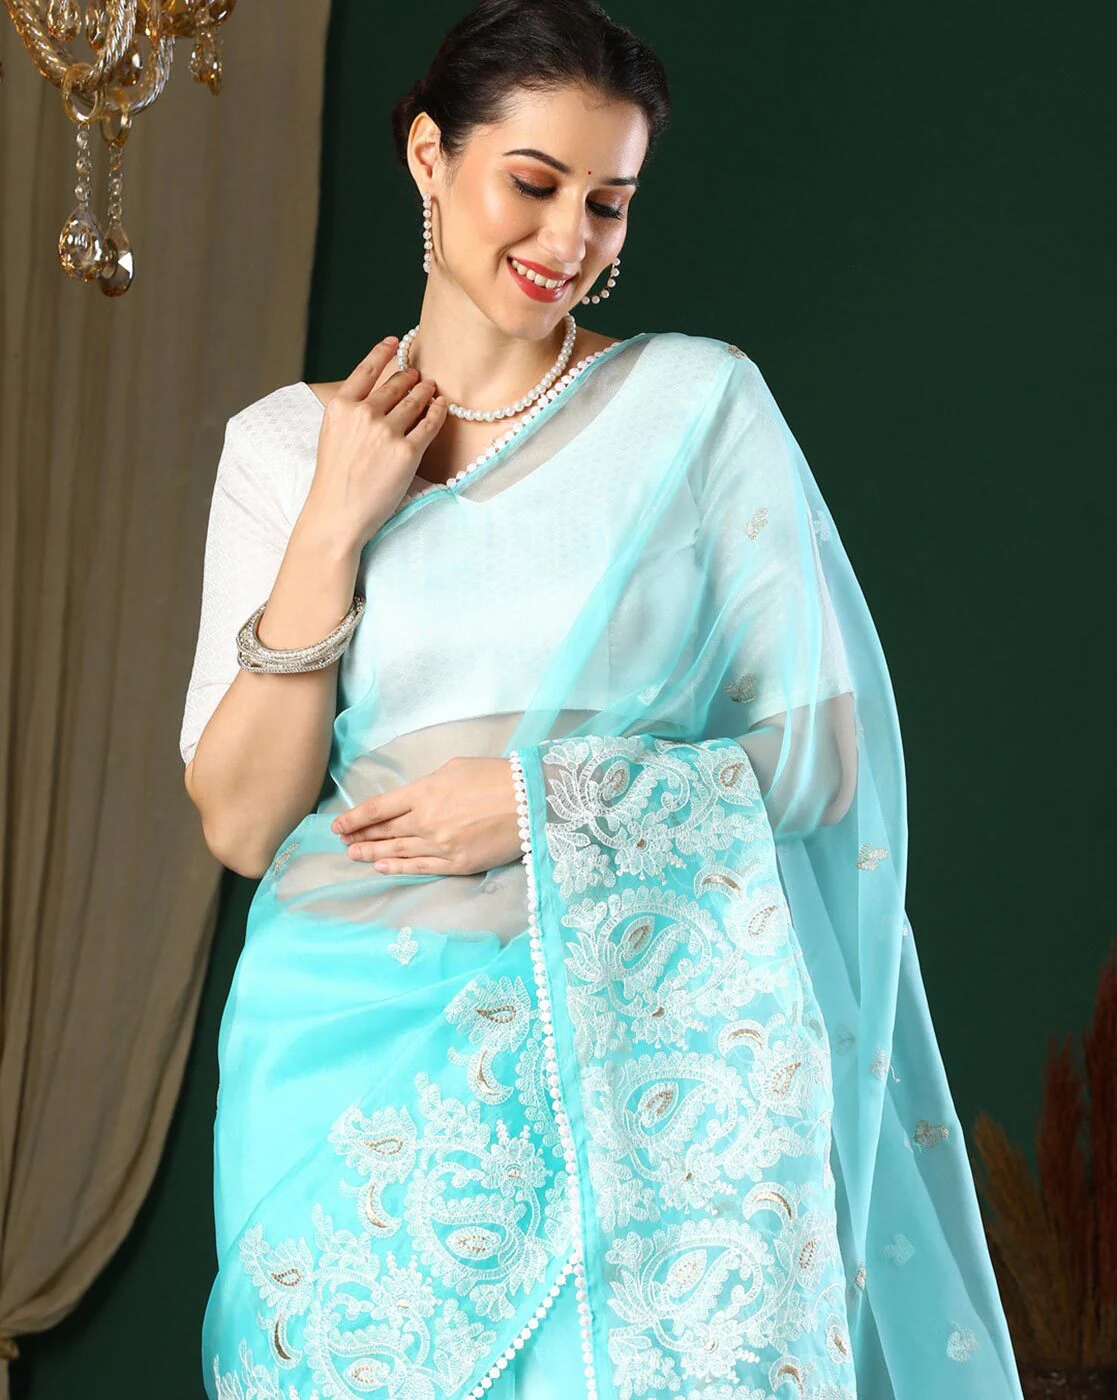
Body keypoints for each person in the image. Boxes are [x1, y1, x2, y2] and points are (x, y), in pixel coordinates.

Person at [182, 3, 1025, 1396]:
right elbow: (242, 822)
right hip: (340, 1058)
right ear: (429, 156)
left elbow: (823, 757)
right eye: (533, 183)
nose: (568, 239)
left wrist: (540, 801)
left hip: (644, 1044)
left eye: (608, 203)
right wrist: (332, 526)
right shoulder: (285, 446)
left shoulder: (696, 407)